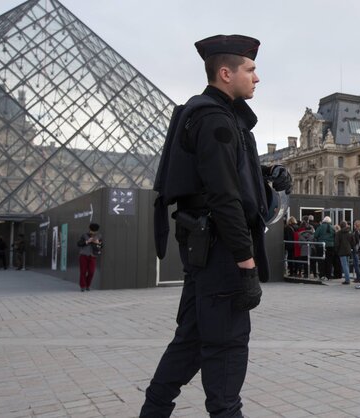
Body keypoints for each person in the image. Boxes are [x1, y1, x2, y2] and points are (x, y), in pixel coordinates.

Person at [142, 34, 292, 417]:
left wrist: (265, 173)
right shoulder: (216, 120)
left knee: (190, 342)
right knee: (226, 356)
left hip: (204, 249)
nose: (257, 77)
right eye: (250, 69)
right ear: (226, 73)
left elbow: (219, 174)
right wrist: (246, 263)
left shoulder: (207, 113)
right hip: (223, 254)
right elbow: (225, 197)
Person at [77, 223, 102, 291]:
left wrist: (98, 243)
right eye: (92, 231)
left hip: (93, 256)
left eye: (95, 231)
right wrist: (87, 242)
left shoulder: (99, 236)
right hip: (83, 255)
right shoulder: (84, 235)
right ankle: (83, 286)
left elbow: (101, 246)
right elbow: (79, 244)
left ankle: (88, 285)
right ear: (90, 229)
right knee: (83, 271)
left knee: (91, 272)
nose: (93, 232)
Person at [314, 216, 336, 280]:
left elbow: (315, 235)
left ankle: (322, 275)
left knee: (321, 261)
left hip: (321, 246)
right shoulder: (332, 227)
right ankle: (328, 275)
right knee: (329, 261)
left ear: (324, 221)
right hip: (331, 246)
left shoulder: (320, 227)